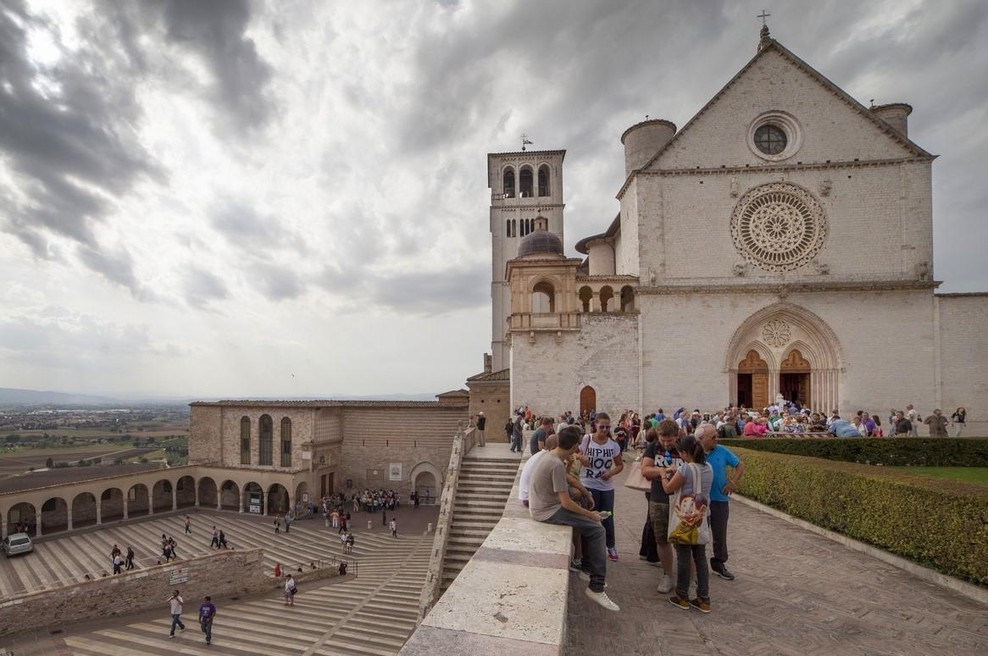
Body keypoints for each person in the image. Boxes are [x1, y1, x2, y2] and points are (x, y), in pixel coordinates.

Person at [528, 425, 619, 611]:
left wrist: (586, 493)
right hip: (547, 511)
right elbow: (566, 504)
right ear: (573, 447)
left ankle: (586, 569)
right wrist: (591, 516)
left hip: (543, 506)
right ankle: (596, 587)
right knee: (598, 529)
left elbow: (568, 479)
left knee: (586, 510)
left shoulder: (550, 456)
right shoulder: (555, 464)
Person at [659, 434, 713, 613]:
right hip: (701, 515)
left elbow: (668, 488)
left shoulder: (686, 469)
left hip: (685, 516)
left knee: (683, 557)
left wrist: (663, 475)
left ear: (684, 453)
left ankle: (682, 596)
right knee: (700, 558)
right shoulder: (708, 467)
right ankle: (704, 598)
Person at [697, 423, 744, 581]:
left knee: (719, 534)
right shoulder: (695, 452)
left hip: (719, 499)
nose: (716, 439)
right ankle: (697, 564)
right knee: (698, 533)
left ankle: (719, 563)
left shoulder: (722, 450)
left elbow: (739, 465)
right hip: (700, 500)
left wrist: (733, 482)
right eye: (713, 437)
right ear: (701, 439)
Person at [641, 419, 681, 594]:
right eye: (663, 440)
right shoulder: (653, 447)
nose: (666, 444)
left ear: (676, 436)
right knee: (661, 538)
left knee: (684, 540)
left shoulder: (683, 447)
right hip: (658, 498)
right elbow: (645, 469)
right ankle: (667, 575)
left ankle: (689, 577)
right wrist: (662, 471)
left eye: (670, 440)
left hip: (680, 499)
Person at [577, 412, 624, 561]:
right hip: (588, 484)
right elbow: (574, 452)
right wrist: (581, 457)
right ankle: (590, 550)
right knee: (590, 517)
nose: (604, 430)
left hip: (606, 486)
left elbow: (620, 465)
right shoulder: (587, 439)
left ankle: (611, 546)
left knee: (608, 517)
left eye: (607, 427)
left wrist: (610, 473)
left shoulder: (613, 445)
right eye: (601, 426)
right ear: (595, 426)